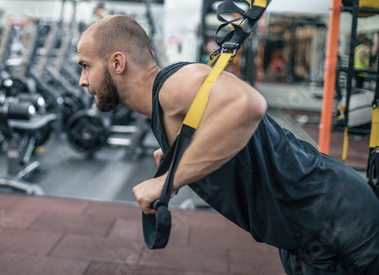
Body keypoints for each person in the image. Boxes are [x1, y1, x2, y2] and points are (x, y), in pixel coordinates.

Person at [76, 15, 379, 275]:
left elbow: (249, 104)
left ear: (117, 62)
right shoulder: (164, 105)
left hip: (339, 221)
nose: (82, 80)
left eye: (86, 66)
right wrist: (177, 158)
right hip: (305, 239)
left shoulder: (173, 85)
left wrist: (170, 181)